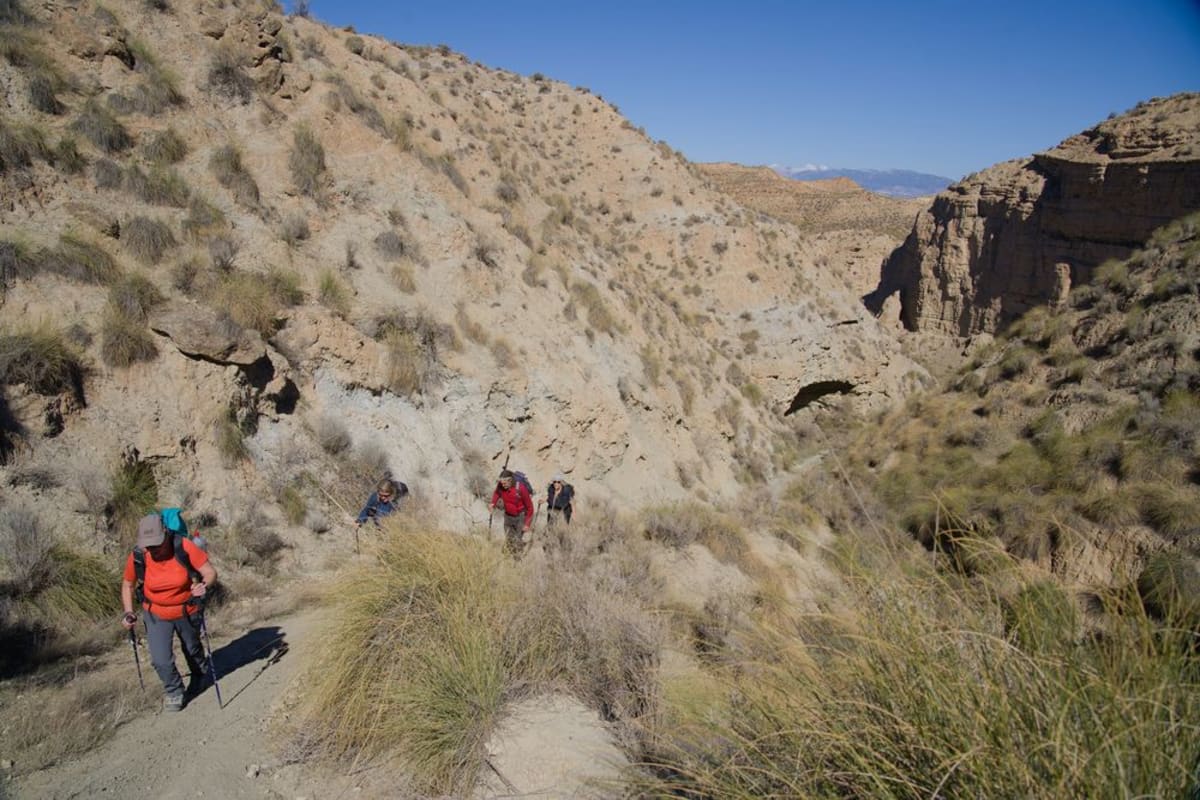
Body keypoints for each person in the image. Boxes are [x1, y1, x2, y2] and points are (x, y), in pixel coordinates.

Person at [121, 513, 218, 712]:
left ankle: (200, 673)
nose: (153, 549)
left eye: (156, 544)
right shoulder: (139, 555)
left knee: (192, 649)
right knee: (160, 659)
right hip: (155, 613)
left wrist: (203, 585)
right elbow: (128, 584)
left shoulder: (183, 547)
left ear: (165, 534)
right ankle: (174, 690)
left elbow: (209, 572)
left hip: (187, 609)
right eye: (149, 545)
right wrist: (128, 612)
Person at [489, 468, 535, 557]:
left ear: (510, 480)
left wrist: (527, 524)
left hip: (520, 517)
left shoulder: (521, 488)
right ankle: (510, 557)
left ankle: (517, 559)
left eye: (505, 483)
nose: (503, 485)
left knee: (517, 539)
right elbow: (497, 493)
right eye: (501, 483)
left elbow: (530, 507)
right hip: (508, 516)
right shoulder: (501, 485)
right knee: (509, 538)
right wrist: (493, 503)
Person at [542, 473, 575, 551]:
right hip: (553, 510)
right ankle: (549, 546)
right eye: (555, 482)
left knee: (562, 530)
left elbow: (572, 502)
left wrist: (574, 514)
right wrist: (543, 500)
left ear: (561, 482)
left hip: (564, 511)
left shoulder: (566, 490)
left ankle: (564, 547)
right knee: (550, 528)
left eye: (558, 482)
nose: (556, 483)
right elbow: (548, 497)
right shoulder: (551, 488)